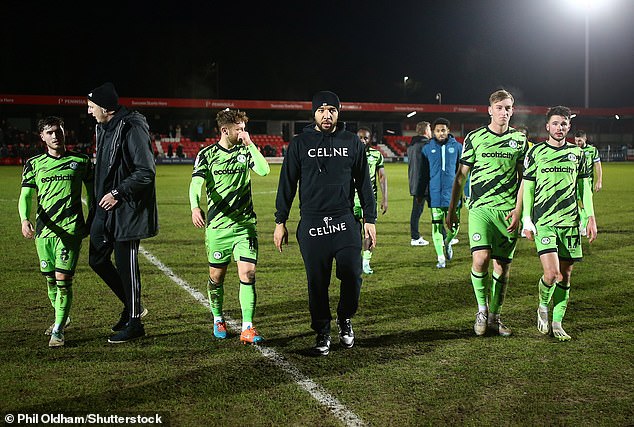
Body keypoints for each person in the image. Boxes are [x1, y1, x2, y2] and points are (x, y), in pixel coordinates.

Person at [274, 91, 377, 356]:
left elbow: (364, 183)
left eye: (332, 110)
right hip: (312, 222)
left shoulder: (352, 142)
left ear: (339, 113)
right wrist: (280, 221)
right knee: (317, 282)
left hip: (344, 219)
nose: (327, 115)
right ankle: (322, 329)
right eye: (321, 110)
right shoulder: (300, 144)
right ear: (314, 114)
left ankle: (345, 318)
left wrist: (370, 219)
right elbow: (287, 183)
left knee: (353, 274)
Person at [447, 89, 527, 337]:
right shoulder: (474, 138)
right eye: (500, 107)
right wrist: (453, 210)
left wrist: (519, 210)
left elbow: (525, 179)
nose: (505, 112)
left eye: (509, 108)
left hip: (507, 211)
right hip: (480, 208)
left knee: (502, 266)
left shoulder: (521, 141)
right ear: (490, 110)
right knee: (480, 259)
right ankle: (481, 311)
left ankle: (495, 316)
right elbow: (461, 176)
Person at [189, 109, 270, 344]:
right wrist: (195, 206)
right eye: (239, 129)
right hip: (218, 229)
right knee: (216, 277)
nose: (243, 132)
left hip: (245, 226)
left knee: (248, 273)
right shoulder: (207, 154)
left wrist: (250, 143)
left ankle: (247, 327)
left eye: (244, 128)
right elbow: (196, 184)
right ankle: (218, 318)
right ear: (225, 130)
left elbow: (264, 171)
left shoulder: (246, 151)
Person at [87, 82, 158, 343]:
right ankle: (131, 306)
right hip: (104, 207)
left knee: (126, 264)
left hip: (126, 208)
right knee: (96, 259)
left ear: (105, 108)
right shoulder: (103, 127)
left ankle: (135, 322)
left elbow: (145, 172)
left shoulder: (132, 126)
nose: (88, 111)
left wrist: (118, 193)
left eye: (91, 106)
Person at [522, 106, 597, 341]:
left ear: (569, 126)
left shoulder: (579, 154)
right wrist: (526, 218)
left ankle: (557, 322)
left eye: (563, 124)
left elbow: (584, 188)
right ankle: (543, 306)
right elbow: (529, 188)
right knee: (552, 273)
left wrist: (589, 217)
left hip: (570, 222)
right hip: (545, 221)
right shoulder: (535, 153)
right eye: (555, 123)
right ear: (547, 126)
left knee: (566, 275)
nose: (559, 128)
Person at [18, 116, 94, 347]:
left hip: (70, 230)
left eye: (58, 131)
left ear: (64, 132)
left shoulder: (81, 161)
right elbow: (26, 195)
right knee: (50, 280)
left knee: (63, 279)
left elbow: (91, 194)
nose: (55, 135)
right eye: (49, 132)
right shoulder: (33, 164)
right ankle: (63, 317)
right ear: (42, 136)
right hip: (44, 231)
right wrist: (24, 219)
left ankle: (58, 329)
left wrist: (91, 219)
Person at [419, 118, 463, 269]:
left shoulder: (457, 147)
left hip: (453, 195)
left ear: (448, 131)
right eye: (437, 130)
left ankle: (448, 241)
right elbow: (422, 174)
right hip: (435, 195)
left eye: (443, 130)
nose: (440, 133)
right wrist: (420, 193)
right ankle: (440, 258)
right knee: (436, 226)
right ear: (433, 132)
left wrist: (466, 192)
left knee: (454, 226)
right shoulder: (426, 148)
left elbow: (464, 173)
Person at [353, 127, 387, 274]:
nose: (362, 140)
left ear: (370, 139)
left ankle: (366, 262)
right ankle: (354, 261)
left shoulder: (376, 155)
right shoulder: (349, 154)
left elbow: (382, 177)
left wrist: (385, 198)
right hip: (350, 201)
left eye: (365, 138)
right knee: (352, 234)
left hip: (369, 200)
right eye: (360, 137)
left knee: (369, 233)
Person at [574, 130, 602, 236]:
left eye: (580, 141)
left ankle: (583, 226)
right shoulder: (573, 150)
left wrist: (599, 181)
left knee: (585, 204)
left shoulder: (592, 150)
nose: (577, 143)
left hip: (587, 182)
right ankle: (581, 221)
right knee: (574, 204)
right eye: (576, 141)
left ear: (585, 139)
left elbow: (598, 166)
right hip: (573, 182)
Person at [407, 121, 431, 246]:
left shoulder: (411, 145)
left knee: (417, 211)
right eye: (430, 129)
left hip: (415, 183)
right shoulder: (426, 145)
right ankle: (415, 237)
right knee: (436, 211)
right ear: (426, 131)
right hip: (425, 184)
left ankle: (415, 237)